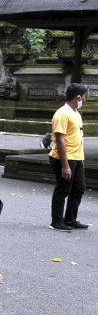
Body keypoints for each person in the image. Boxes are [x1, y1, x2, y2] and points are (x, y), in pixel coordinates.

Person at [48, 83, 89, 232]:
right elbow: (60, 139)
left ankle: (70, 219)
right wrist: (65, 165)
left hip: (77, 157)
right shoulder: (62, 114)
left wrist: (80, 159)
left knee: (79, 188)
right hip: (64, 158)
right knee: (64, 188)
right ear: (78, 97)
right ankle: (56, 222)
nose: (85, 99)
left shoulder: (75, 112)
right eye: (84, 96)